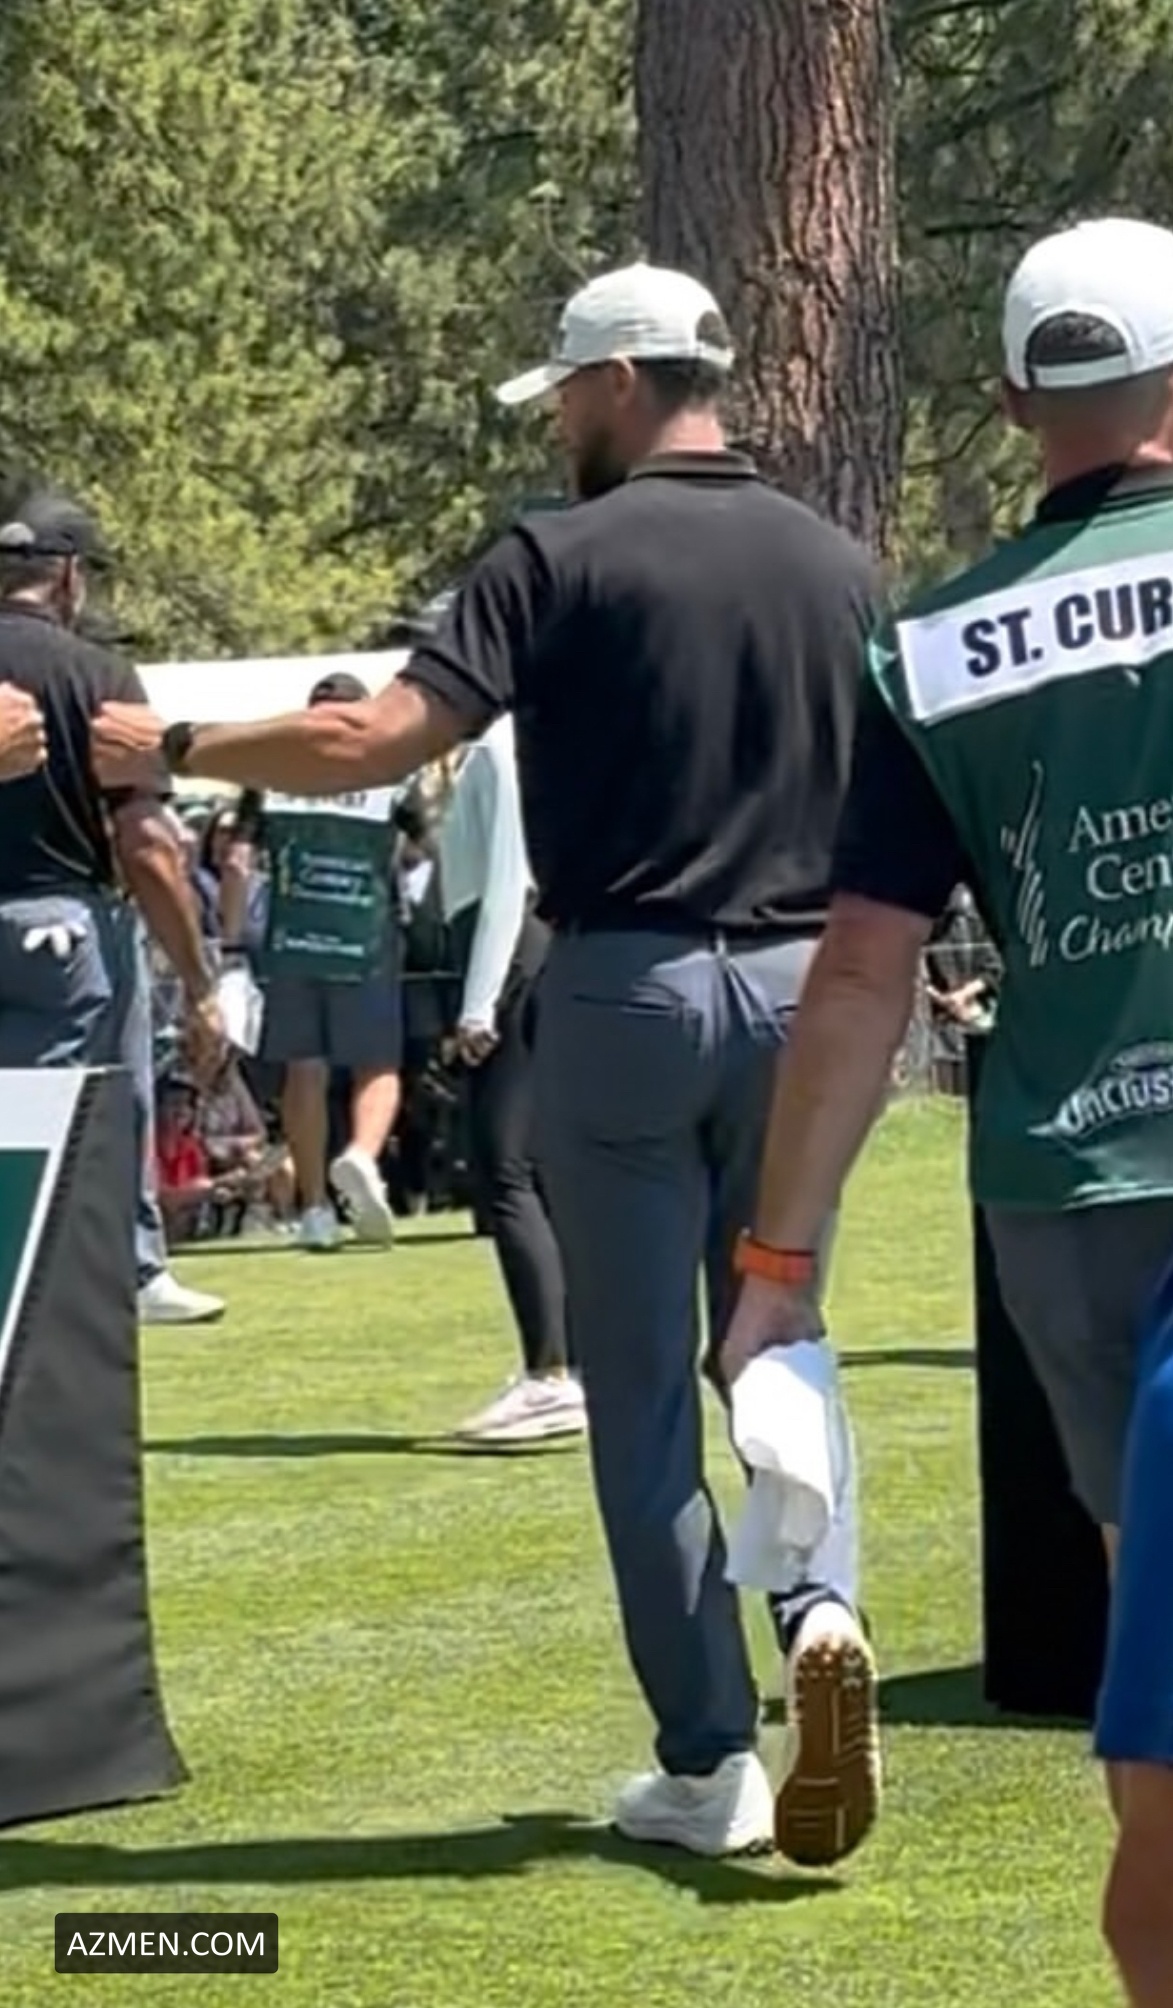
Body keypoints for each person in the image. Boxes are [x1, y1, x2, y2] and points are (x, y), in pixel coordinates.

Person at [92, 261, 881, 1865]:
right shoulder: (837, 562)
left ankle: (712, 1762)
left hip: (627, 989)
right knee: (778, 1328)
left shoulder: (556, 554)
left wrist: (169, 744)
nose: (558, 423)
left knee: (639, 1394)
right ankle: (818, 1605)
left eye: (565, 394)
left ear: (615, 384)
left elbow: (373, 738)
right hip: (806, 992)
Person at [699, 218, 1173, 2000]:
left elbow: (858, 973)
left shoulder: (940, 645)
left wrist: (776, 1264)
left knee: (1154, 1625)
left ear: (1012, 404)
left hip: (1076, 1185)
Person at [0, 494, 225, 1326]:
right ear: (68, 576)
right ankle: (132, 1267)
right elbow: (147, 842)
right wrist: (199, 980)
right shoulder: (100, 676)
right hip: (63, 918)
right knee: (94, 1095)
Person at [434, 716, 584, 1445]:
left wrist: (478, 1003)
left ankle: (550, 1373)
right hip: (530, 951)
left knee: (507, 1168)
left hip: (513, 955)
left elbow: (506, 878)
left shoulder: (502, 745)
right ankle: (567, 1365)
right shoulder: (519, 739)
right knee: (536, 1171)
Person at [235, 671, 406, 1251]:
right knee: (377, 1064)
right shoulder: (391, 770)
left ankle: (313, 1208)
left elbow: (236, 862)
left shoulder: (271, 771)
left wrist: (230, 944)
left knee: (303, 1069)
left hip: (292, 942)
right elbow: (429, 845)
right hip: (365, 940)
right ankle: (361, 1155)